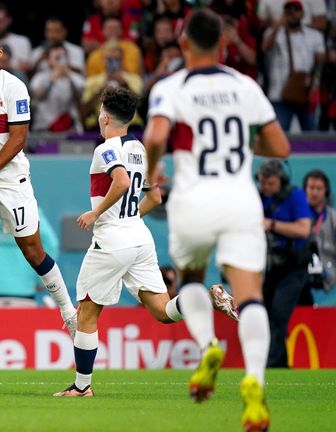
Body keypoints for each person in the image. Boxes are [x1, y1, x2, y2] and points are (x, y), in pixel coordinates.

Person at [143, 9, 290, 431]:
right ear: (223, 43)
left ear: (184, 43)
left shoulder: (171, 87)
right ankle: (255, 383)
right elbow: (280, 146)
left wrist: (153, 171)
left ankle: (208, 345)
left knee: (190, 277)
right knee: (251, 296)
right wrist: (244, 141)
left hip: (193, 201)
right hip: (240, 201)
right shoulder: (246, 86)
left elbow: (154, 135)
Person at [53, 86, 238, 398]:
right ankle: (208, 297)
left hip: (112, 241)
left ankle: (81, 388)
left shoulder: (106, 148)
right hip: (139, 238)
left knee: (86, 314)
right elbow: (156, 196)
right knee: (164, 311)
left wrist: (97, 213)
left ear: (105, 116)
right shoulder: (140, 149)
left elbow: (122, 181)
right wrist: (128, 216)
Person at [0, 30, 78, 336]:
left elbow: (18, 139)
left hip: (11, 180)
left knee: (32, 249)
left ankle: (67, 310)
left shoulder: (15, 87)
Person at [257, 159, 312, 364]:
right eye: (263, 183)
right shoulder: (259, 196)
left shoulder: (294, 195)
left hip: (294, 267)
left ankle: (272, 364)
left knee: (279, 314)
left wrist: (271, 224)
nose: (266, 188)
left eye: (270, 183)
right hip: (271, 265)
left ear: (281, 180)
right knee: (266, 314)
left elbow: (303, 229)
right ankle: (278, 363)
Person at [261, 0, 326, 132]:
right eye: (288, 11)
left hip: (305, 93)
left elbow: (320, 63)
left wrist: (316, 85)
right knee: (280, 133)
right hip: (279, 94)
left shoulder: (314, 35)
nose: (292, 14)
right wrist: (276, 26)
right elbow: (265, 48)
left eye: (295, 10)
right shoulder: (273, 33)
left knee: (312, 132)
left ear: (302, 14)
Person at [303, 170, 336, 292]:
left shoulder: (333, 218)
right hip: (301, 273)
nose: (314, 192)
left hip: (328, 275)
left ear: (326, 191)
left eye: (319, 188)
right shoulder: (297, 218)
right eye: (311, 188)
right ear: (305, 190)